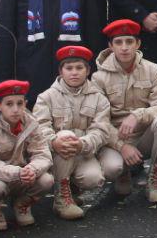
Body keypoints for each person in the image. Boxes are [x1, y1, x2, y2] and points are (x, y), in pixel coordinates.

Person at [92, 18, 157, 202]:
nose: (124, 47)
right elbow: (99, 122)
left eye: (129, 41)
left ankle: (155, 178)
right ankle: (123, 172)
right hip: (115, 137)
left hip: (145, 134)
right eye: (118, 42)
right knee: (111, 168)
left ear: (138, 43)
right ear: (110, 46)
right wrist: (122, 147)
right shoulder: (98, 78)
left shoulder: (153, 70)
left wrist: (137, 115)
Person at [31, 45, 118, 220]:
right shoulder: (46, 97)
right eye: (69, 68)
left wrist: (82, 144)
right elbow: (39, 128)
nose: (74, 72)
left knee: (93, 179)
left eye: (79, 68)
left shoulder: (99, 98)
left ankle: (73, 188)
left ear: (87, 71)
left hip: (83, 151)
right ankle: (62, 198)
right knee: (64, 137)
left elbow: (101, 130)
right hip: (55, 154)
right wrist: (54, 141)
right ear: (60, 71)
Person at [0, 79, 54, 231]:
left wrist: (32, 169)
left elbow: (42, 154)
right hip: (0, 177)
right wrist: (16, 172)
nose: (15, 109)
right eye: (9, 104)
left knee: (47, 180)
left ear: (25, 104)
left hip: (24, 175)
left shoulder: (31, 124)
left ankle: (22, 204)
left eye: (20, 103)